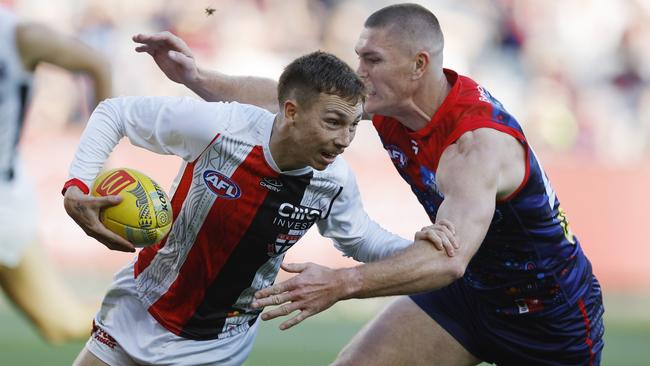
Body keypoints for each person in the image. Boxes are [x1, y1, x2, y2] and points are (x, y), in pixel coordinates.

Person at [133, 3, 605, 365]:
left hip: (549, 317)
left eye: (373, 60)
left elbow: (449, 258)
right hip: (472, 298)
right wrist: (197, 77)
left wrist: (342, 283)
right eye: (360, 56)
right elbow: (289, 100)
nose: (359, 72)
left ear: (419, 65)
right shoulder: (390, 101)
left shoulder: (476, 146)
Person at [61, 50, 456, 366]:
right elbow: (114, 113)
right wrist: (77, 185)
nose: (344, 140)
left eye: (353, 126)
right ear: (290, 112)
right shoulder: (221, 128)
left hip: (217, 343)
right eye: (334, 122)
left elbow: (360, 238)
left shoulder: (333, 180)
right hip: (141, 307)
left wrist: (415, 249)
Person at [0, 5, 112, 343]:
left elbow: (97, 64)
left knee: (60, 323)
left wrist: (98, 158)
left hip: (5, 200)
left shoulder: (18, 36)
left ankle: (152, 313)